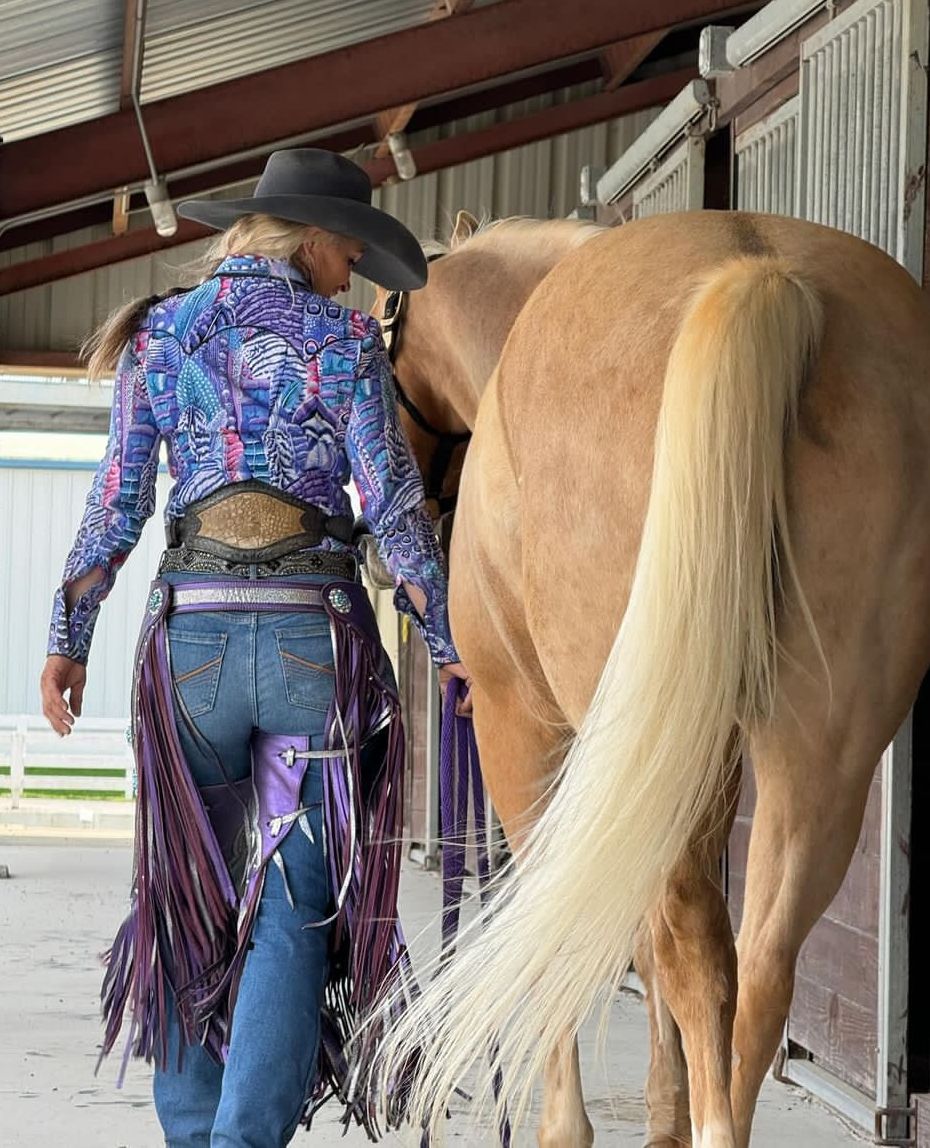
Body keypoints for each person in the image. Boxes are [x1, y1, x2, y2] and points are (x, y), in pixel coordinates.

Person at [39, 148, 469, 1147]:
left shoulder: (159, 335)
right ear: (312, 236)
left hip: (190, 644)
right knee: (294, 898)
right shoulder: (345, 340)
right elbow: (397, 513)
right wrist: (451, 642)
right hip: (313, 647)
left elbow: (116, 503)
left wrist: (69, 635)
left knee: (188, 885)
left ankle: (192, 1132)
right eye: (351, 245)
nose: (356, 264)